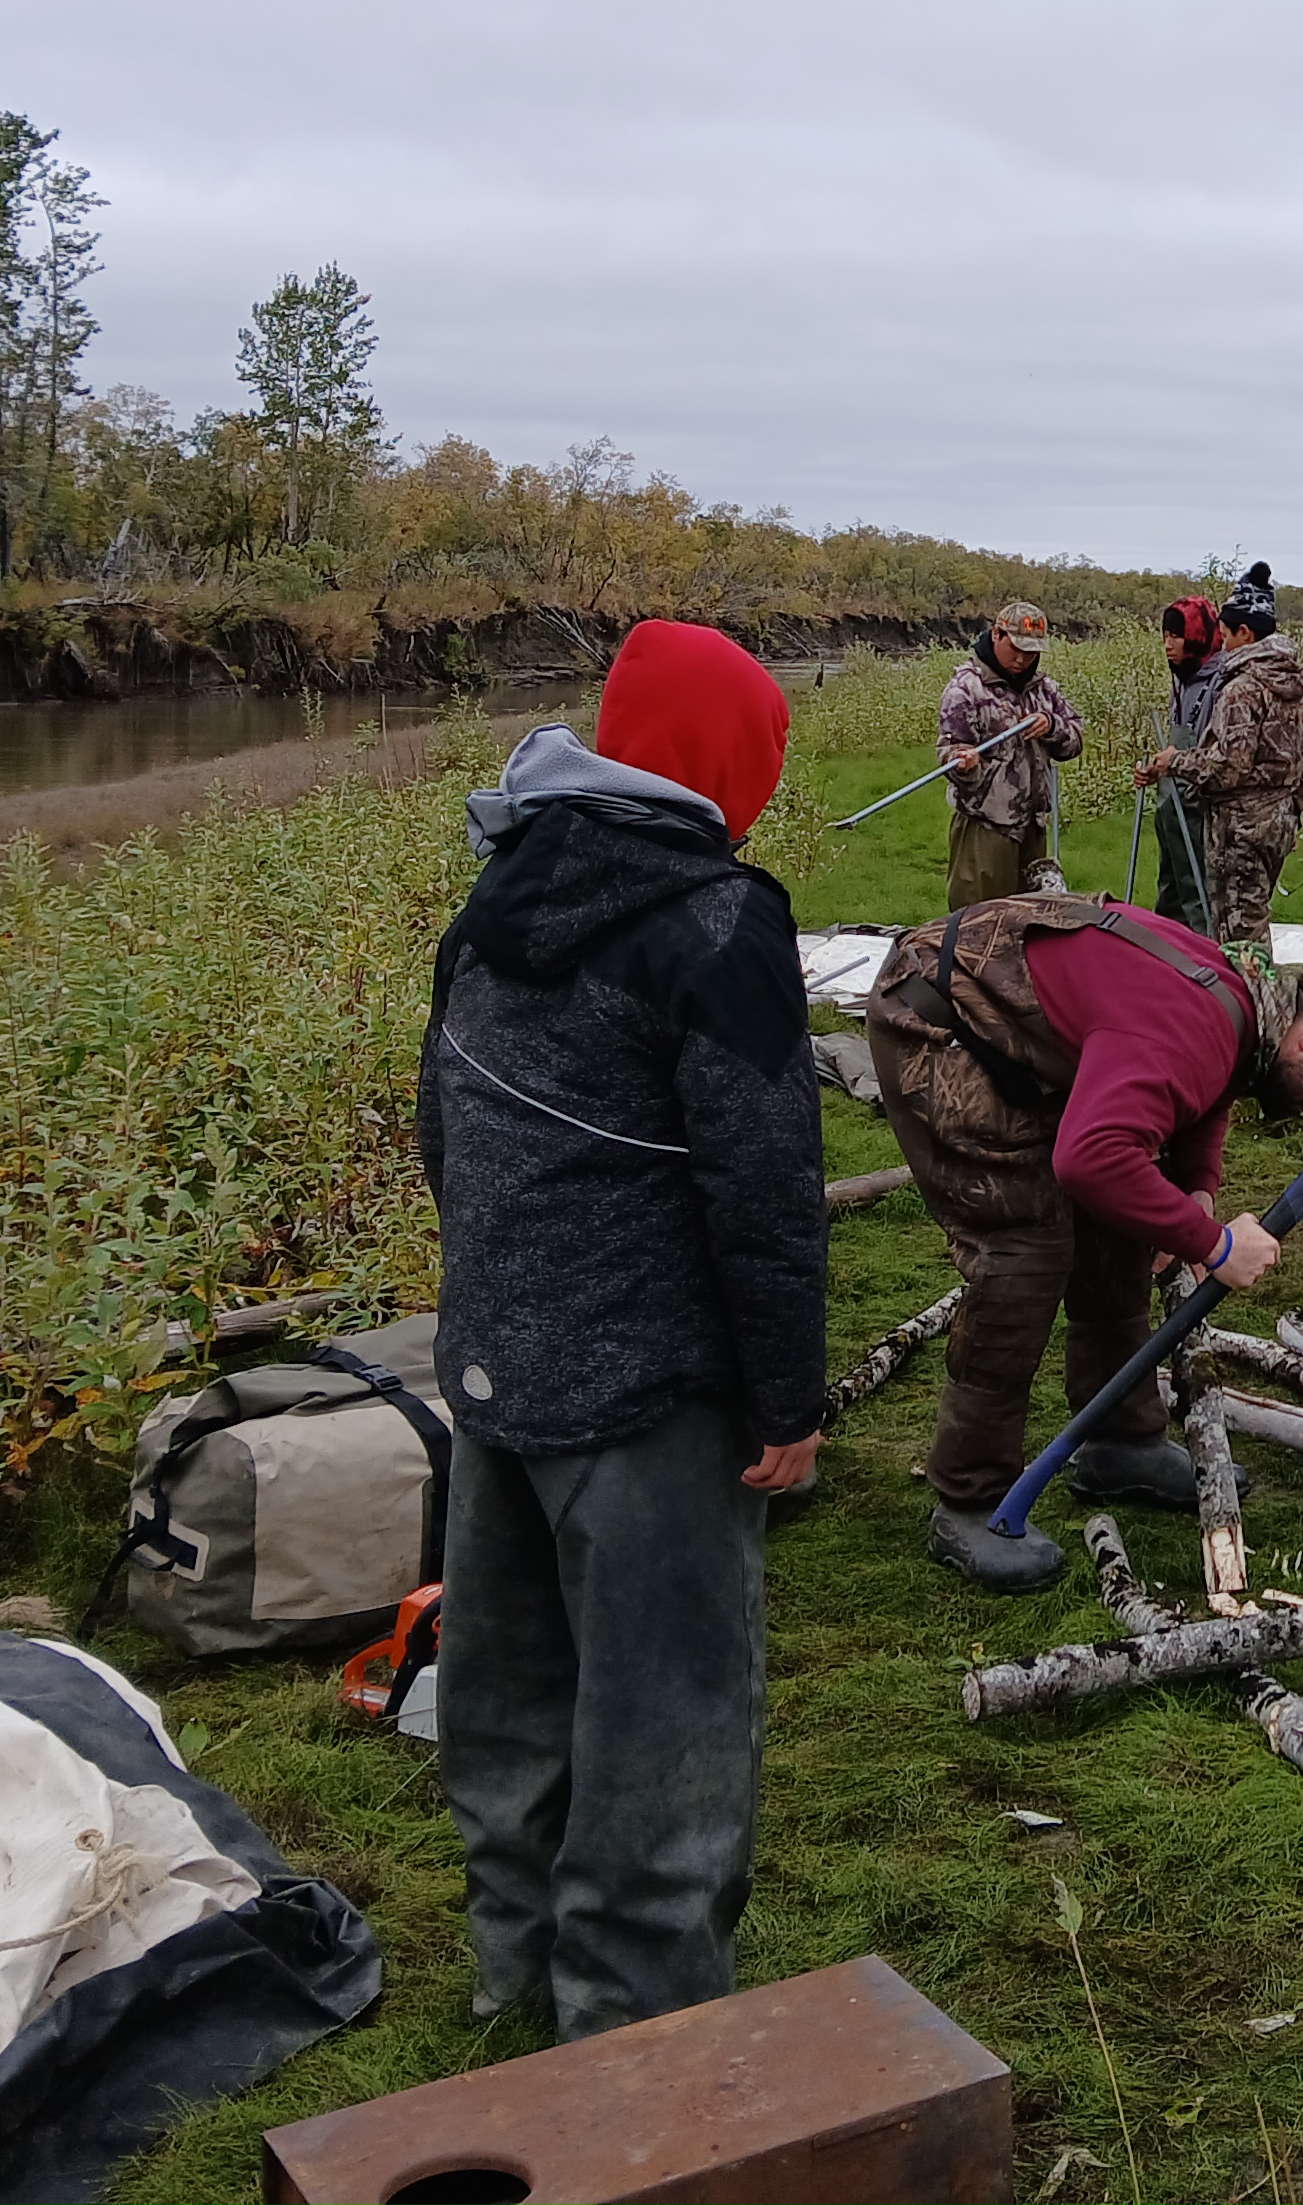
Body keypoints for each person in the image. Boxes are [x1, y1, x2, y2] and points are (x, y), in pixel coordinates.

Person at [417, 620, 825, 2038]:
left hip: (495, 1371)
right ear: (726, 765)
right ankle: (636, 2044)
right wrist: (786, 1398)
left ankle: (512, 1976)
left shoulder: (501, 890)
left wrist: (496, 1313)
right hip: (652, 1397)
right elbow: (765, 1187)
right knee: (668, 1733)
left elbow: (444, 1133)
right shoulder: (720, 920)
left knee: (513, 1704)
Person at [866, 889, 1303, 1592]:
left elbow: (1212, 1089)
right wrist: (1211, 1242)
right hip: (938, 1017)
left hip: (1023, 1035)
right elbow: (1089, 1158)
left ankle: (1121, 1444)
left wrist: (1194, 1190)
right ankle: (968, 1499)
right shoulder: (1196, 1022)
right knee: (1025, 1248)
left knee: (1124, 1222)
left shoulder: (1248, 1006)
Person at [1135, 561, 1303, 951]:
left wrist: (1176, 762)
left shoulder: (1241, 688)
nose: (1222, 639)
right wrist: (1290, 815)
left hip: (1238, 830)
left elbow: (1228, 766)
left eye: (1226, 631)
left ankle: (1245, 1008)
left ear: (1245, 632)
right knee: (1254, 921)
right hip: (1277, 824)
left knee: (1237, 941)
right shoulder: (1296, 684)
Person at [940, 598, 1083, 913]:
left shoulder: (1043, 690)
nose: (1022, 659)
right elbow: (947, 752)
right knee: (979, 924)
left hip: (1033, 827)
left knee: (1033, 923)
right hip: (985, 828)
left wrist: (1052, 726)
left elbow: (1074, 740)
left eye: (1030, 652)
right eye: (1015, 649)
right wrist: (963, 761)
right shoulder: (966, 688)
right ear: (996, 635)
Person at [1143, 593, 1226, 932]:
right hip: (1173, 810)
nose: (1168, 645)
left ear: (1197, 635)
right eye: (1164, 636)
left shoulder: (1222, 682)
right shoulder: (1182, 680)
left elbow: (1221, 757)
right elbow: (1178, 744)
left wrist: (1177, 762)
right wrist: (1155, 768)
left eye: (1175, 636)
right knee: (1172, 892)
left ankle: (1205, 969)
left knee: (1200, 897)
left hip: (1202, 812)